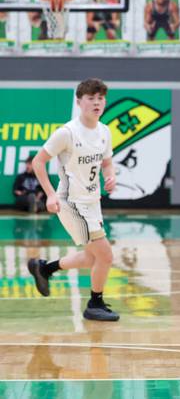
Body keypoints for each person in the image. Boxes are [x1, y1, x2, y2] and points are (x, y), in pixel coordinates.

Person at [27, 78, 120, 322]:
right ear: (79, 102)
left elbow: (107, 163)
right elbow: (38, 162)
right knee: (106, 256)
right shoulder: (67, 133)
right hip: (72, 203)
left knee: (92, 258)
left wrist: (111, 177)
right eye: (91, 98)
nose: (97, 102)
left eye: (100, 98)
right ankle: (94, 303)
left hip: (93, 202)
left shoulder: (105, 131)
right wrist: (49, 194)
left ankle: (45, 268)